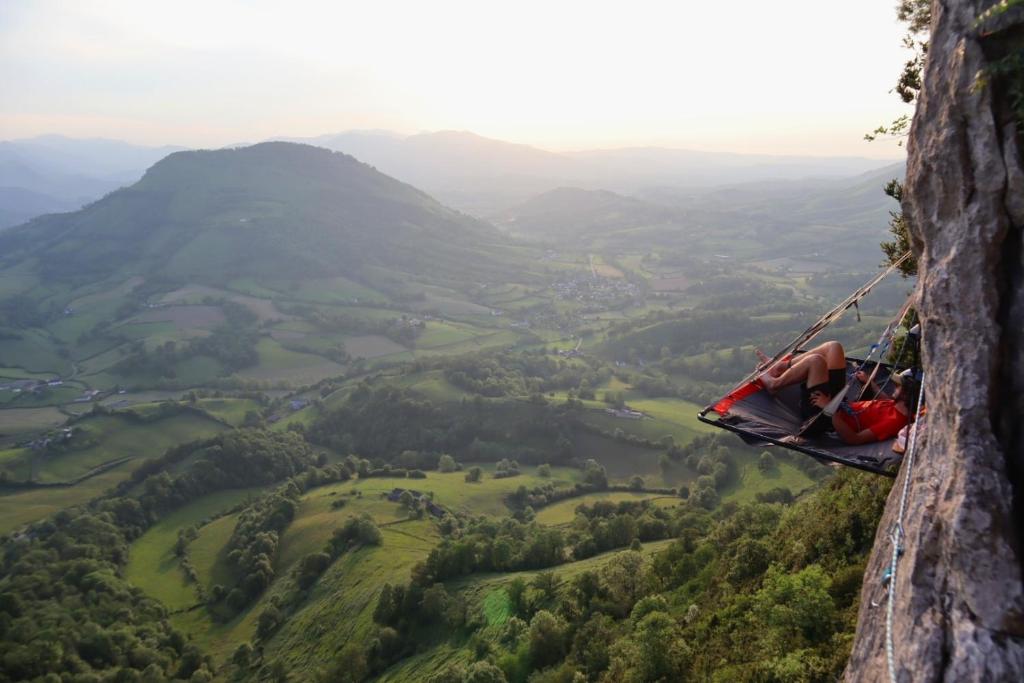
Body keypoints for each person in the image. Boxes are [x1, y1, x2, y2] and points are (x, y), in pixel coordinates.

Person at [757, 341, 849, 435]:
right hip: (839, 402)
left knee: (816, 361)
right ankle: (780, 367)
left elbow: (853, 439)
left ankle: (774, 385)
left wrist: (828, 407)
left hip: (824, 416)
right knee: (834, 347)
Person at [810, 370, 921, 445]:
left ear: (907, 394)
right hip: (838, 406)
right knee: (833, 350)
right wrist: (869, 382)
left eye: (898, 386)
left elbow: (854, 439)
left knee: (816, 362)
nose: (894, 387)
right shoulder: (896, 405)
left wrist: (830, 409)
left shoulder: (893, 422)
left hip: (827, 417)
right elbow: (884, 399)